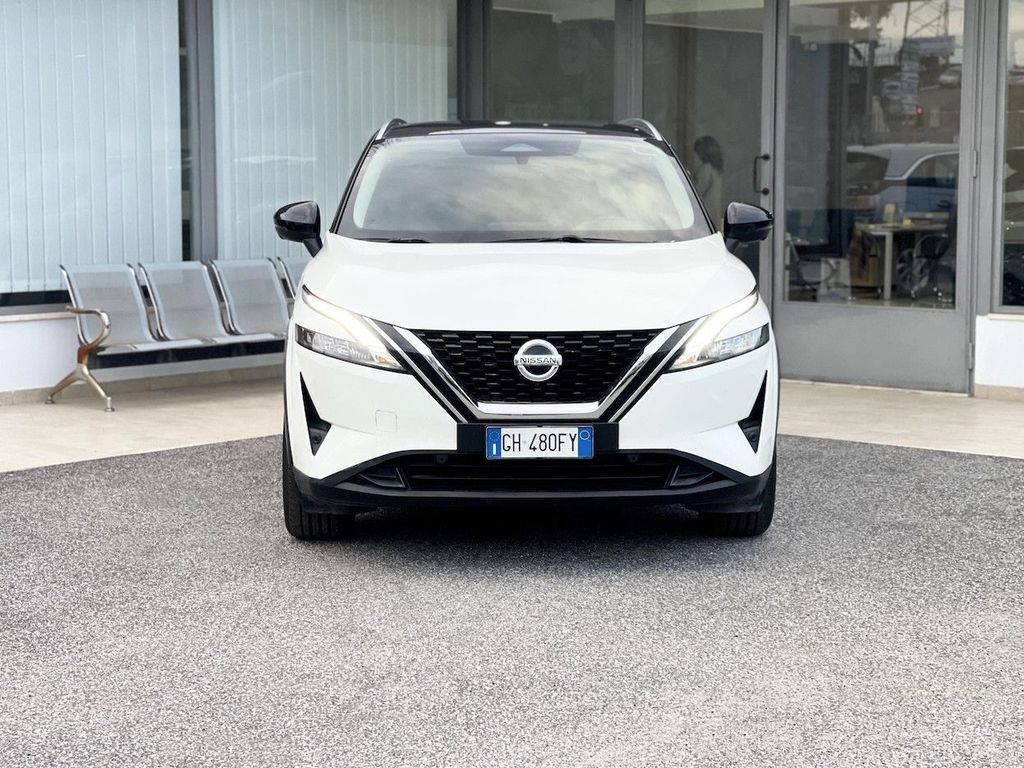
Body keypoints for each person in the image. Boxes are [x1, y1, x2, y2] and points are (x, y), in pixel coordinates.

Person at [693, 135, 724, 226]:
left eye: (698, 151)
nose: (696, 155)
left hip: (705, 213)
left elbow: (697, 192)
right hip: (714, 213)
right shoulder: (716, 169)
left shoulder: (706, 169)